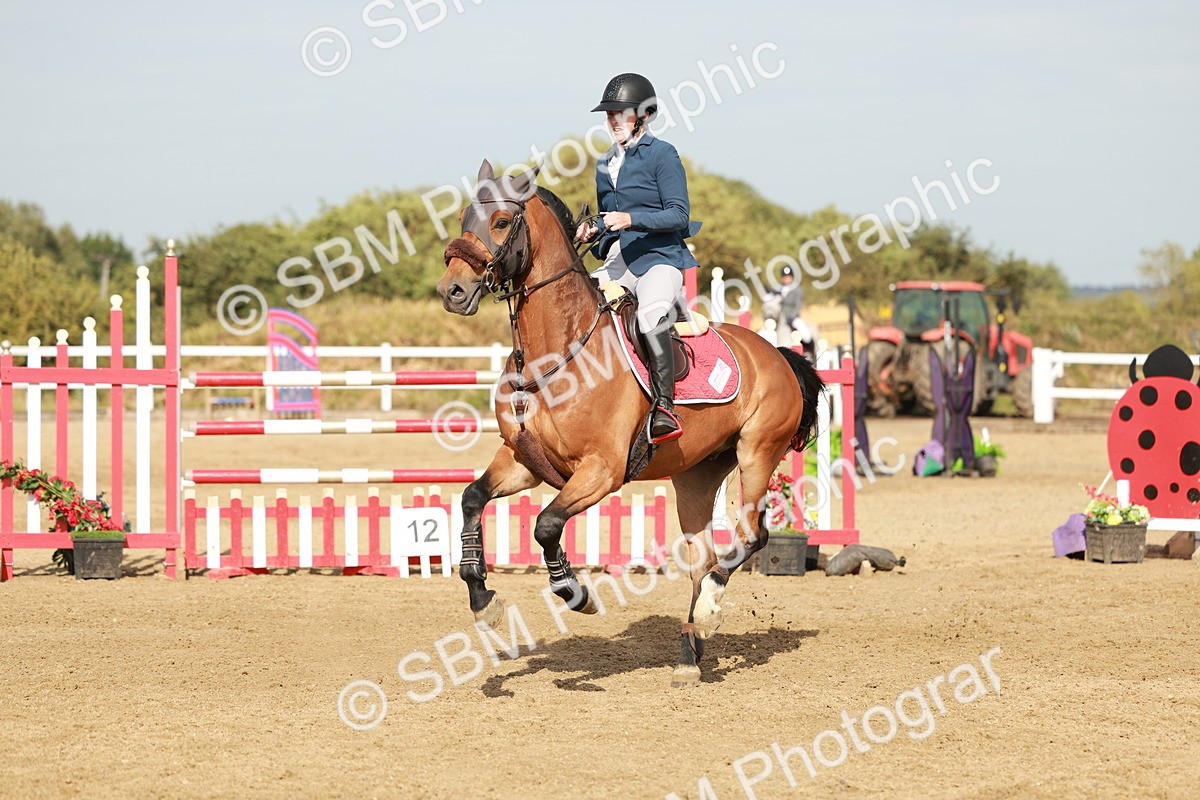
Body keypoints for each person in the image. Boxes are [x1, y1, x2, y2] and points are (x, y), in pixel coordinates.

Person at [576, 72, 700, 444]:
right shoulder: (604, 165)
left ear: (642, 116)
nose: (613, 120)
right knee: (573, 304)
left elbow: (679, 214)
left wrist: (631, 219)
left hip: (660, 259)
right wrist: (593, 230)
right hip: (620, 260)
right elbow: (607, 218)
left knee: (648, 316)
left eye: (621, 112)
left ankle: (664, 406)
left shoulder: (663, 154)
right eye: (609, 114)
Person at [762, 265, 815, 354]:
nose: (787, 279)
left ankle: (811, 348)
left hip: (793, 316)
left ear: (792, 277)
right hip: (781, 316)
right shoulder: (779, 288)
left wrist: (791, 316)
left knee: (805, 333)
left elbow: (797, 305)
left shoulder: (797, 290)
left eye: (788, 277)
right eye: (785, 277)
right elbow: (772, 298)